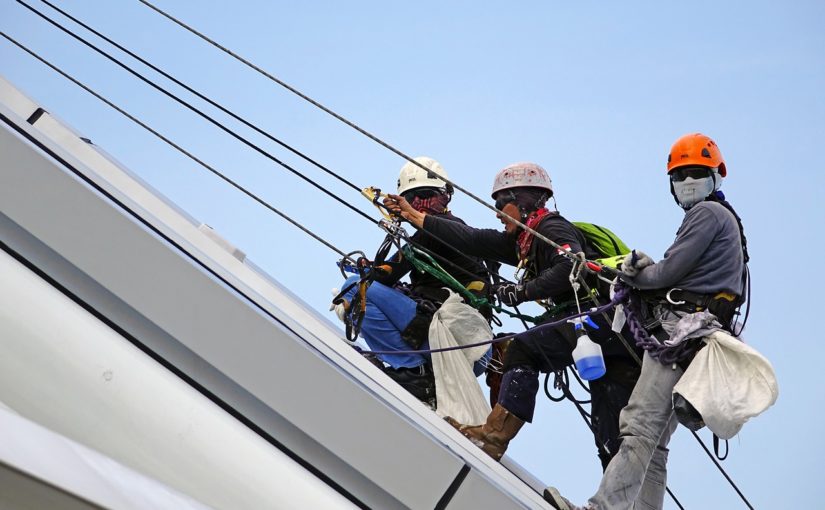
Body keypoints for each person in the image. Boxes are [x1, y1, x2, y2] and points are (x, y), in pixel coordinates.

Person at [385, 162, 642, 467]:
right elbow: (472, 239)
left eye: (500, 203)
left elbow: (569, 266)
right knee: (608, 422)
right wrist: (419, 218)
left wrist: (522, 292)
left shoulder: (551, 228)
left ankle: (493, 436)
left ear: (523, 200)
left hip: (600, 319)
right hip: (614, 334)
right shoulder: (524, 241)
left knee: (523, 348)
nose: (496, 212)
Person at [544, 133, 748, 510]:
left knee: (638, 427)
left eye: (695, 173)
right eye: (680, 174)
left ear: (716, 175)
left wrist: (633, 272)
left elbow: (666, 275)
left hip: (679, 336)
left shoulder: (707, 214)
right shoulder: (728, 222)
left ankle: (602, 508)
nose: (687, 181)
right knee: (654, 445)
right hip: (696, 341)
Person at [334, 156, 491, 407]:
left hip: (458, 341)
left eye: (426, 197)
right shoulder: (451, 233)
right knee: (370, 291)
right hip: (470, 348)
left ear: (445, 198)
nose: (420, 206)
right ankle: (416, 372)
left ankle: (412, 370)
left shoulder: (440, 230)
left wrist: (370, 272)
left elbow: (388, 272)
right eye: (413, 200)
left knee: (354, 289)